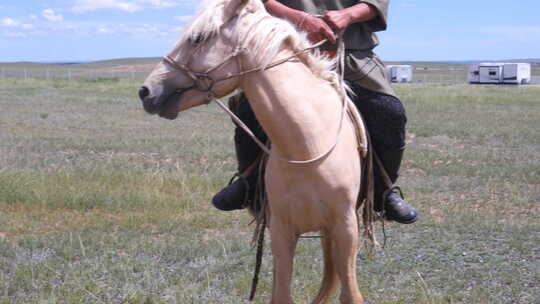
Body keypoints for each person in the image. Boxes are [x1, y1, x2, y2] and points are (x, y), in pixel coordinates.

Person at [212, 0, 419, 224]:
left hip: (351, 57)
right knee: (249, 108)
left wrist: (348, 15)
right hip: (288, 54)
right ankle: (248, 182)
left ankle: (383, 192)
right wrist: (299, 18)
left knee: (390, 113)